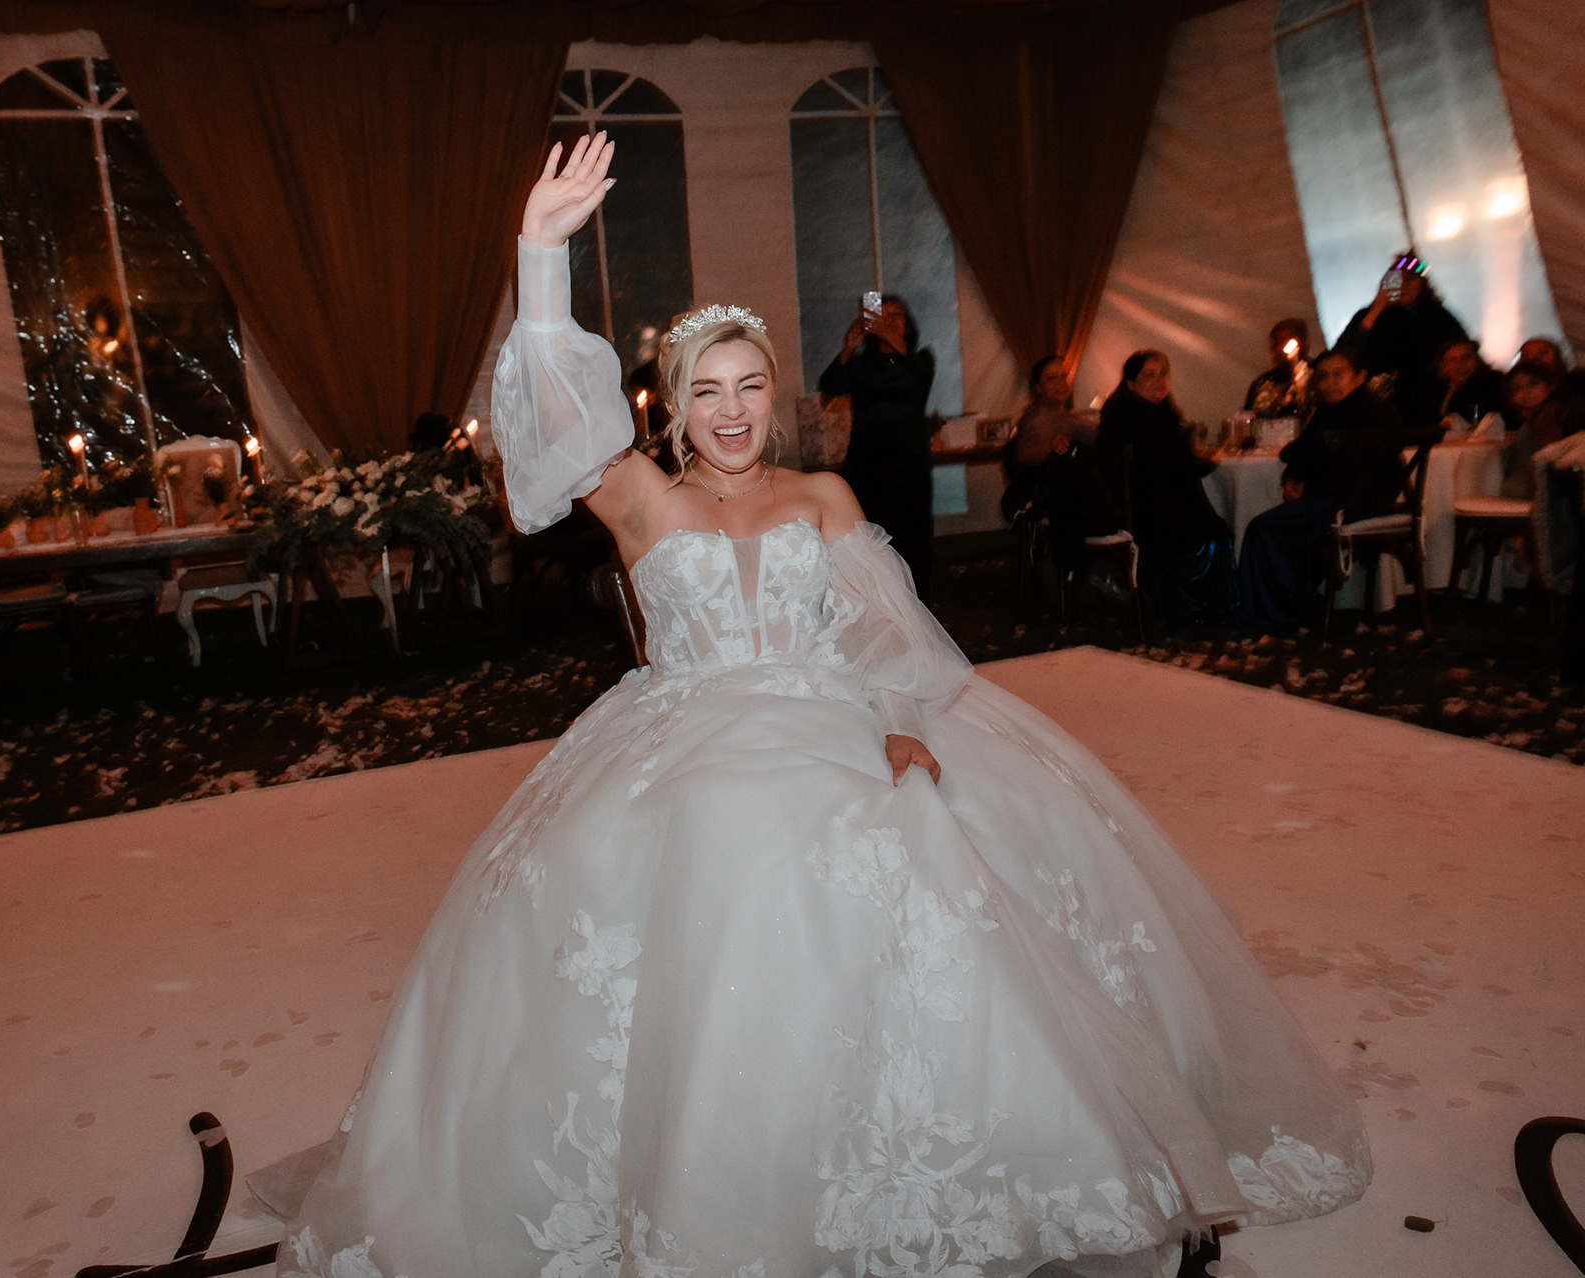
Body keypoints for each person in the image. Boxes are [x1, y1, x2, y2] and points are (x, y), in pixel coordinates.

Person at [254, 133, 1369, 1278]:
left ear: (775, 393)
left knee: (932, 856)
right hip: (681, 731)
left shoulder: (822, 493)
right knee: (701, 860)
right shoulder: (638, 498)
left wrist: (903, 726)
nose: (732, 411)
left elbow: (889, 631)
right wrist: (540, 257)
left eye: (750, 387)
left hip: (831, 711)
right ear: (672, 408)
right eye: (706, 391)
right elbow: (550, 417)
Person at [1236, 348, 1400, 628]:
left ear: (1359, 377)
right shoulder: (1330, 411)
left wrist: (1307, 486)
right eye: (1323, 376)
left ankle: (1284, 610)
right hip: (1335, 499)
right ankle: (1290, 604)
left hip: (1357, 504)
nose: (1329, 383)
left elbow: (1352, 474)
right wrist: (1294, 477)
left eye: (1338, 375)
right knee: (1277, 525)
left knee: (1262, 529)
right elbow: (1298, 452)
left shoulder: (1368, 414)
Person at [1096, 351, 1237, 624]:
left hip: (1152, 502)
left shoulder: (1153, 412)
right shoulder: (1139, 417)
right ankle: (1196, 609)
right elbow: (1172, 468)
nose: (1158, 381)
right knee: (1216, 533)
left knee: (1213, 523)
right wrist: (1208, 462)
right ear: (1131, 383)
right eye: (1149, 375)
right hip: (1151, 512)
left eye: (1163, 374)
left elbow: (1171, 465)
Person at [819, 293, 938, 603]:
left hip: (909, 468)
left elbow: (918, 377)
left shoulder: (921, 360)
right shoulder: (862, 365)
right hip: (867, 467)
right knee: (870, 542)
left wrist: (886, 332)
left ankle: (916, 606)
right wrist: (848, 347)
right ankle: (876, 607)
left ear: (908, 325)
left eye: (896, 315)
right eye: (881, 315)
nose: (888, 321)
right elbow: (829, 386)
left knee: (913, 542)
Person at [1004, 357, 1115, 571]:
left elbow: (1094, 432)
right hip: (1050, 499)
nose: (1061, 383)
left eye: (1063, 376)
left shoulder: (1061, 415)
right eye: (1051, 378)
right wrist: (1047, 446)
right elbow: (1024, 456)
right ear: (1038, 388)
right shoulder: (1035, 417)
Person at [1334, 252, 1468, 410]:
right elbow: (1341, 355)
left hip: (1428, 401)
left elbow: (1462, 352)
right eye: (1397, 281)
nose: (1404, 286)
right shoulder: (1368, 316)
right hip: (1374, 404)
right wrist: (1374, 312)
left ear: (1421, 283)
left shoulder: (1439, 317)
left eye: (1410, 280)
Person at [1500, 361, 1585, 499]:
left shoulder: (1551, 413)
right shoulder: (1530, 416)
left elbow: (1550, 455)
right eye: (1518, 388)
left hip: (1554, 487)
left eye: (1533, 384)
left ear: (1550, 386)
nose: (1526, 392)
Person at [1415, 337, 1505, 428]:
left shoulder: (1490, 385)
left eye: (1466, 358)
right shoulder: (1432, 391)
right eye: (1452, 360)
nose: (1459, 364)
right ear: (1443, 366)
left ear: (1477, 359)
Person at [1241, 318, 1313, 419]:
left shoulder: (1319, 374)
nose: (1281, 350)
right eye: (1276, 344)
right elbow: (1248, 417)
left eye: (1286, 342)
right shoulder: (1262, 382)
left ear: (1305, 344)